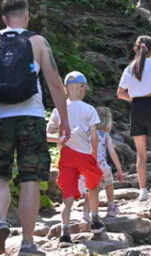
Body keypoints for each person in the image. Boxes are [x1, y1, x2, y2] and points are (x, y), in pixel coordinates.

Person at [0, 0, 70, 256]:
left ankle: (1, 223)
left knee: (1, 176)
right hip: (31, 117)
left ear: (4, 18)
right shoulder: (37, 41)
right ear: (26, 15)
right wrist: (64, 120)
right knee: (30, 179)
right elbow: (54, 83)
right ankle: (27, 243)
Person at [47, 72, 105, 248]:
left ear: (65, 90)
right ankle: (94, 220)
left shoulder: (58, 110)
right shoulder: (89, 109)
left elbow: (46, 134)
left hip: (66, 155)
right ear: (83, 88)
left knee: (68, 194)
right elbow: (94, 136)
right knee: (93, 184)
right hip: (84, 154)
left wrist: (60, 140)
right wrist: (94, 154)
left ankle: (65, 233)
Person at [117, 37, 151, 201]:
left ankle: (142, 190)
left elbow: (119, 93)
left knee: (141, 153)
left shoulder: (130, 68)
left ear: (135, 49)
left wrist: (134, 98)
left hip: (137, 109)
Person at [80, 107, 124, 221]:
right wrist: (119, 169)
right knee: (109, 184)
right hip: (102, 167)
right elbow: (112, 153)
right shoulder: (105, 135)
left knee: (90, 191)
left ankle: (85, 215)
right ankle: (111, 207)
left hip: (87, 166)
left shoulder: (86, 134)